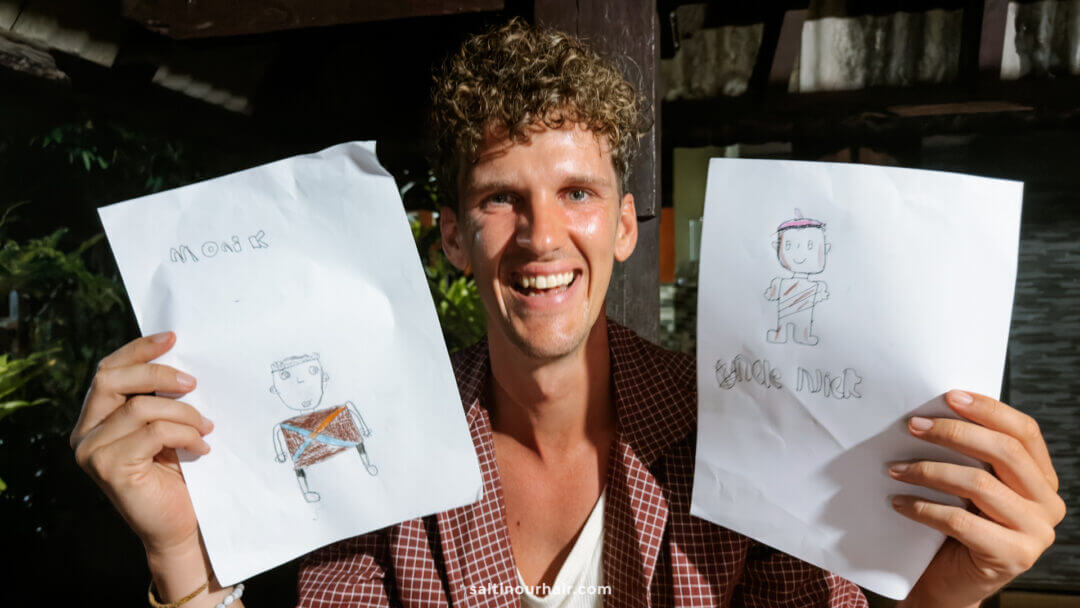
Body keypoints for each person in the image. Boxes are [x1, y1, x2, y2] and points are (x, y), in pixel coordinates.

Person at [70, 18, 1065, 608]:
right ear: (454, 237)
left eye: (577, 193)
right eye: (502, 198)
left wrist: (945, 593)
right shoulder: (378, 442)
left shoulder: (744, 435)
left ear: (626, 226)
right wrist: (181, 556)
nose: (542, 236)